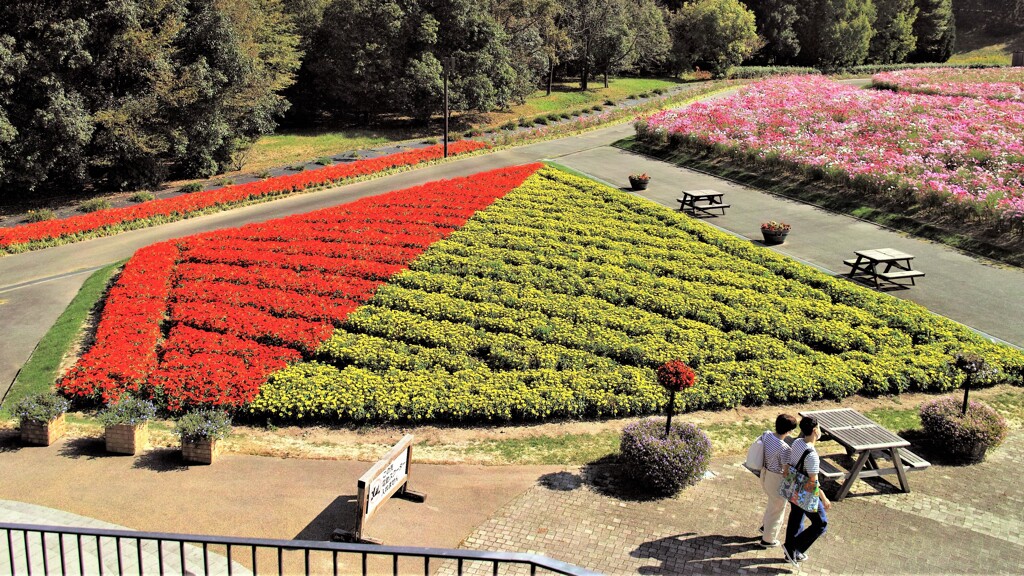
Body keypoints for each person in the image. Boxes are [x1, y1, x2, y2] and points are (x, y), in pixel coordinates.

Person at [783, 416, 832, 568]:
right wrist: (823, 498)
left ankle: (790, 553)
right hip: (806, 491)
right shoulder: (812, 456)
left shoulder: (798, 442)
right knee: (821, 523)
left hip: (793, 486)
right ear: (815, 430)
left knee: (796, 517)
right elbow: (813, 481)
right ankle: (793, 547)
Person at [758, 414, 799, 547]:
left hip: (765, 474)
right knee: (777, 510)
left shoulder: (767, 435)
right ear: (788, 431)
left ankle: (765, 527)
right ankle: (768, 539)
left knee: (772, 504)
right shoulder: (785, 449)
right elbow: (786, 470)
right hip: (777, 479)